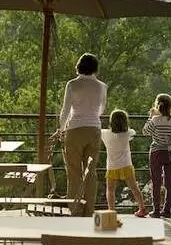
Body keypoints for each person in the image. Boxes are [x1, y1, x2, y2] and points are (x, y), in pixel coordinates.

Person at [57, 53, 106, 216]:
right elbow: (101, 110)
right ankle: (89, 211)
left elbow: (65, 110)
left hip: (75, 130)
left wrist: (61, 129)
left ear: (79, 66)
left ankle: (76, 211)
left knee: (74, 173)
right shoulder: (101, 86)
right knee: (90, 173)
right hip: (94, 129)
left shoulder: (72, 85)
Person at [142, 94, 171, 218]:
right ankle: (167, 210)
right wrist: (170, 138)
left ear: (157, 105)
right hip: (169, 152)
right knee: (169, 182)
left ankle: (156, 211)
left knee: (156, 181)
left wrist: (150, 117)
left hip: (156, 152)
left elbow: (145, 132)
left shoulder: (155, 120)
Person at [101, 109, 147, 217]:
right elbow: (133, 132)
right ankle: (142, 208)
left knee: (110, 190)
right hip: (126, 165)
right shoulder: (127, 133)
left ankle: (111, 211)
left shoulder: (106, 134)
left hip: (112, 166)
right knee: (134, 188)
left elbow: (98, 130)